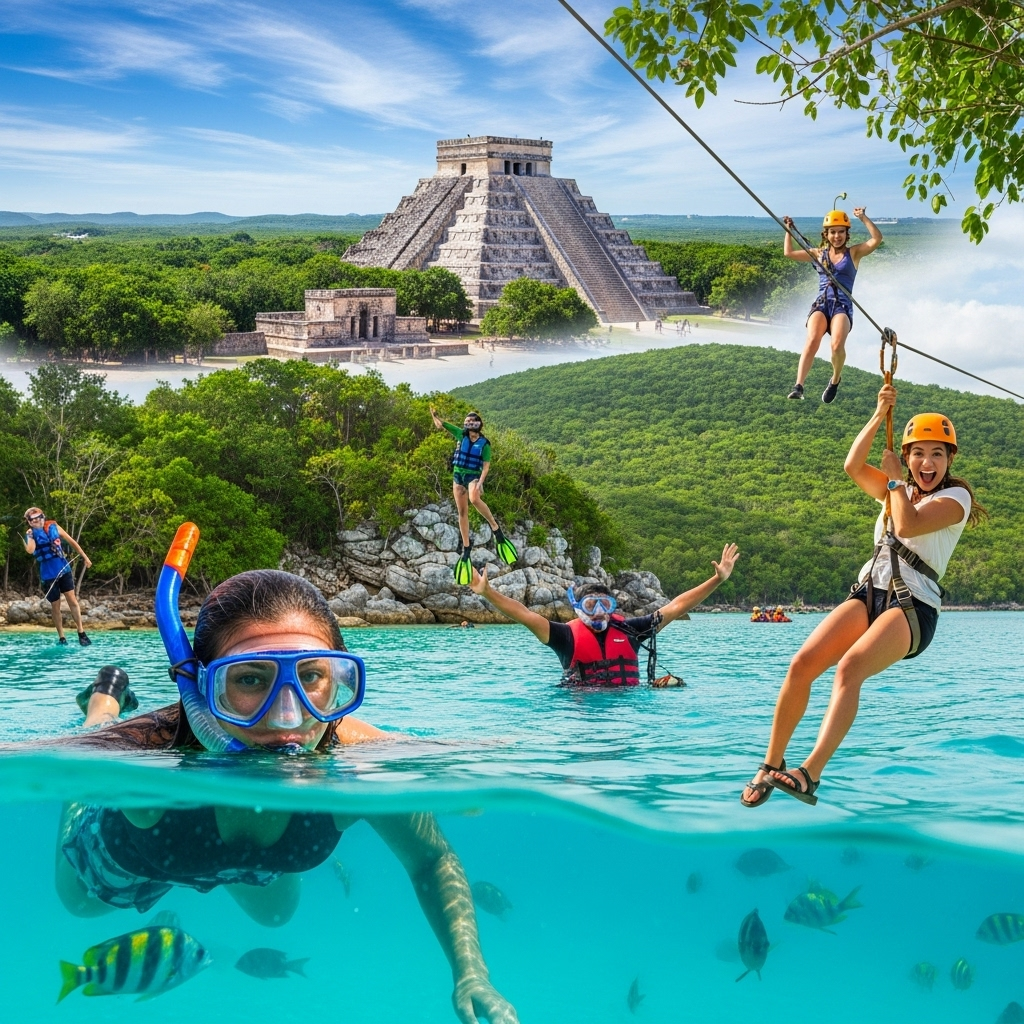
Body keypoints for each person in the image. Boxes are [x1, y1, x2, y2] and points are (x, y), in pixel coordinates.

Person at [47, 529, 518, 1024]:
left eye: (311, 676)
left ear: (338, 680)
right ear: (203, 689)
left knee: (276, 916)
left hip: (246, 865)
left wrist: (471, 973)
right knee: (79, 905)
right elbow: (49, 761)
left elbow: (430, 858)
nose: (289, 717)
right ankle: (103, 700)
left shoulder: (359, 754)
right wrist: (98, 740)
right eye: (250, 679)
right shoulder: (152, 746)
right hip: (137, 857)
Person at [741, 385, 987, 807]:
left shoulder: (955, 498)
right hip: (871, 591)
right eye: (918, 453)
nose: (927, 462)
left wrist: (894, 478)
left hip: (914, 606)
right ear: (907, 455)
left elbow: (907, 526)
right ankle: (770, 763)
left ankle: (809, 773)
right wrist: (878, 415)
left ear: (950, 460)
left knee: (849, 669)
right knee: (802, 664)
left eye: (937, 454)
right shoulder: (898, 488)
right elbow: (853, 465)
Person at [469, 544, 739, 686]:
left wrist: (717, 580)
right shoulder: (564, 636)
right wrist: (487, 593)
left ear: (613, 606)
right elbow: (525, 614)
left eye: (605, 605)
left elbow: (676, 607)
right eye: (590, 606)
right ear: (577, 608)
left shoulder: (631, 631)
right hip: (581, 717)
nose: (599, 612)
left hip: (626, 715)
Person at [784, 208, 882, 404]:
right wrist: (788, 230)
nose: (837, 236)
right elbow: (789, 253)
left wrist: (862, 218)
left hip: (842, 306)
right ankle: (799, 386)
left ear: (846, 234)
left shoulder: (853, 253)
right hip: (822, 303)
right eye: (833, 232)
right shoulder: (818, 253)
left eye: (841, 232)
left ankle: (835, 379)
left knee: (836, 345)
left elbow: (876, 239)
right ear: (826, 234)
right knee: (812, 339)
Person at [430, 408, 518, 585]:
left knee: (474, 498)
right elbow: (441, 425)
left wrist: (480, 483)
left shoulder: (484, 444)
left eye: (473, 422)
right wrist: (434, 416)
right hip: (458, 476)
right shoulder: (460, 434)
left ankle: (496, 529)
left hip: (473, 476)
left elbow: (485, 466)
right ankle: (467, 549)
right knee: (462, 513)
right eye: (468, 423)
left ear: (478, 425)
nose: (470, 425)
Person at [21, 506, 92, 646]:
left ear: (43, 517)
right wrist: (28, 537)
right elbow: (30, 550)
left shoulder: (54, 527)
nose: (37, 521)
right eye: (33, 520)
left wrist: (85, 557)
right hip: (48, 574)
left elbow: (72, 541)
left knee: (72, 600)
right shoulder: (31, 534)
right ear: (29, 522)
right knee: (55, 605)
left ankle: (81, 633)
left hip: (63, 569)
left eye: (39, 518)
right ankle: (62, 637)